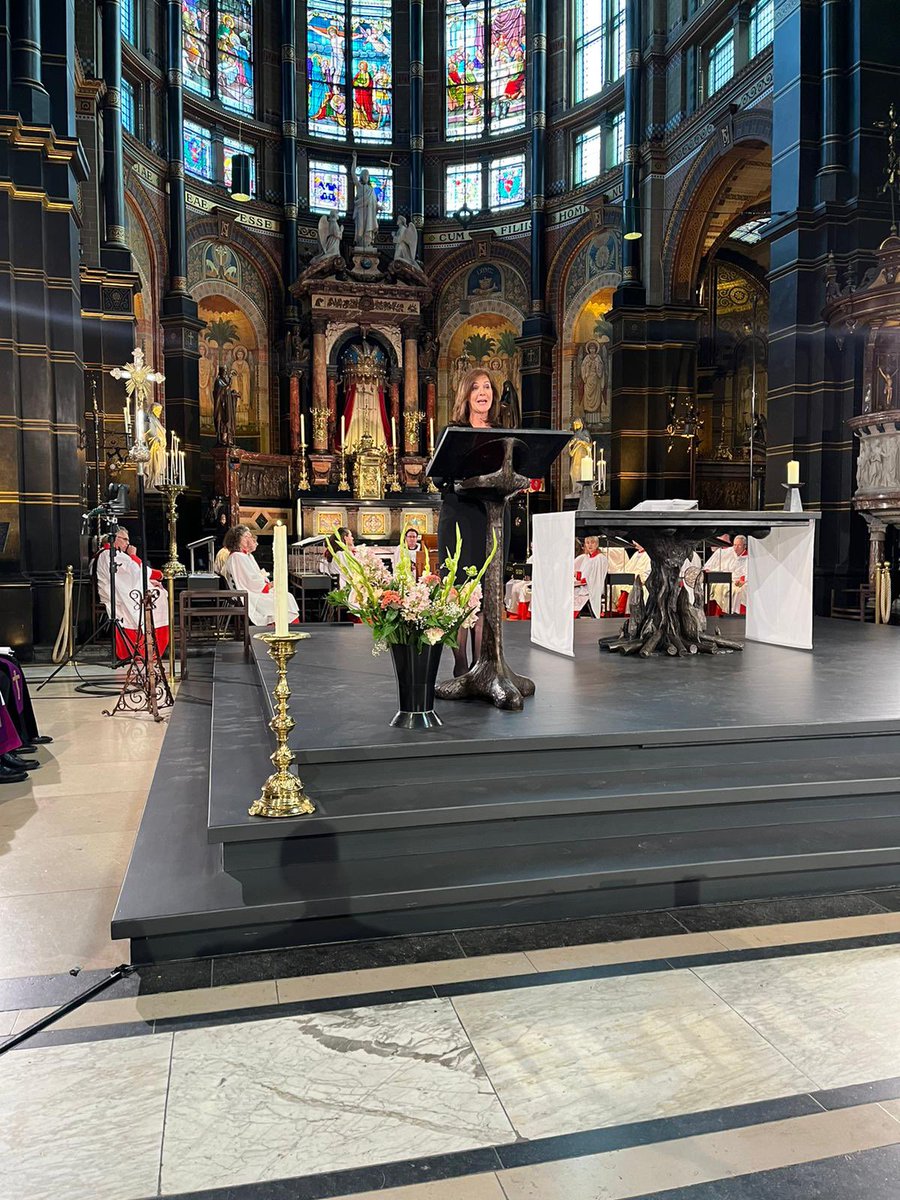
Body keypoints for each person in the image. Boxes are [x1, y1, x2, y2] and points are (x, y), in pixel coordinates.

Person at [434, 369, 504, 679]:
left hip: (491, 517)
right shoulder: (452, 432)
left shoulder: (502, 433)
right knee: (461, 591)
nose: (482, 392)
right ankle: (461, 664)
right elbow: (438, 476)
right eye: (475, 387)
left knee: (486, 594)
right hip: (459, 516)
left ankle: (482, 665)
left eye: (487, 387)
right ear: (466, 395)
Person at [94, 526, 170, 658]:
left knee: (158, 593)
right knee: (156, 596)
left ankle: (153, 646)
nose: (128, 543)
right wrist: (134, 556)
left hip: (121, 590)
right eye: (125, 539)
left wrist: (148, 580)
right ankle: (145, 648)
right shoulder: (109, 554)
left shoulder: (115, 554)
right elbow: (134, 572)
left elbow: (131, 575)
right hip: (116, 594)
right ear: (115, 538)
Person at [225, 526, 300, 627]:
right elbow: (249, 581)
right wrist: (267, 586)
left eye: (250, 536)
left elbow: (254, 576)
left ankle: (283, 627)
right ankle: (280, 628)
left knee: (285, 596)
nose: (250, 539)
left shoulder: (246, 555)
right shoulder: (237, 557)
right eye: (246, 536)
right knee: (283, 599)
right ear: (237, 540)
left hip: (255, 591)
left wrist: (268, 583)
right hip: (250, 595)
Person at [704, 534, 749, 615]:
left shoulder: (748, 558)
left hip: (737, 582)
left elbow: (747, 574)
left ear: (744, 546)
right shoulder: (725, 552)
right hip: (724, 579)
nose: (736, 548)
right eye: (734, 545)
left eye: (739, 545)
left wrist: (742, 581)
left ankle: (734, 613)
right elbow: (708, 566)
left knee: (738, 591)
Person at [574, 535, 608, 618]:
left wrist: (585, 580)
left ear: (597, 544)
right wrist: (577, 576)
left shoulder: (600, 558)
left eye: (592, 543)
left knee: (576, 595)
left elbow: (597, 576)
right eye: (587, 543)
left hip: (592, 587)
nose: (590, 545)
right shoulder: (585, 557)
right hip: (582, 585)